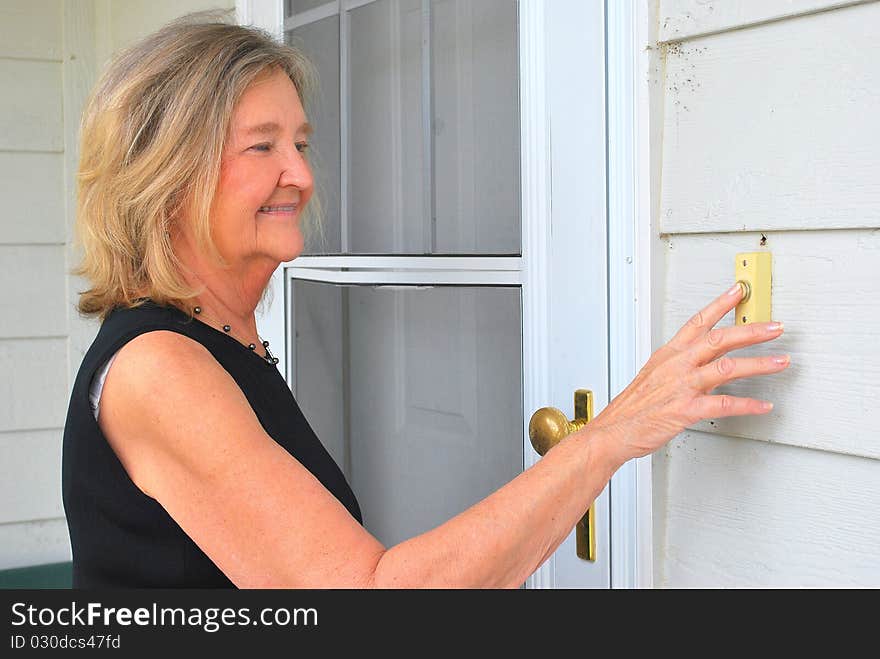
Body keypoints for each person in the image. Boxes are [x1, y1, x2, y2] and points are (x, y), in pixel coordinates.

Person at [61, 15, 789, 589]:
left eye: (302, 143)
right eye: (263, 148)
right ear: (169, 176)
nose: (301, 176)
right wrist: (611, 432)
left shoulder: (224, 342)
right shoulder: (160, 370)